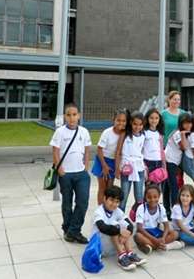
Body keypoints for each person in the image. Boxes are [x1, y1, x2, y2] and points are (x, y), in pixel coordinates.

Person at [50, 102, 91, 244]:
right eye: (69, 115)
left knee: (82, 202)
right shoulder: (60, 132)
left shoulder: (84, 131)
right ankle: (69, 230)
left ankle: (74, 231)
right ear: (65, 117)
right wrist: (59, 169)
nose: (72, 118)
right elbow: (55, 150)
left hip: (81, 174)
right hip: (66, 174)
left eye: (74, 115)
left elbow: (87, 150)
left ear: (78, 116)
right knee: (67, 204)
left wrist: (86, 166)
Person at [90, 186, 146, 271]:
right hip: (100, 247)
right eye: (111, 200)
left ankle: (129, 253)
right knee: (115, 225)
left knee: (125, 226)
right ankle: (121, 257)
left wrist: (124, 233)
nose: (114, 204)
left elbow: (130, 226)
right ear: (105, 198)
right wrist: (120, 230)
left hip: (112, 246)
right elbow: (103, 228)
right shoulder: (98, 212)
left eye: (117, 202)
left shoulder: (117, 210)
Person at [134, 184, 184, 254]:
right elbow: (139, 228)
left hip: (155, 231)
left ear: (159, 196)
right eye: (149, 197)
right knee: (138, 236)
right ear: (145, 197)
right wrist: (154, 240)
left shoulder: (161, 208)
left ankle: (152, 246)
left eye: (155, 197)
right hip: (145, 232)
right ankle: (162, 246)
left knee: (175, 233)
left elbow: (166, 226)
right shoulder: (141, 208)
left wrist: (163, 238)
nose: (152, 200)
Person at [92, 110, 127, 205]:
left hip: (113, 162)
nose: (121, 123)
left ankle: (108, 208)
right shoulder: (107, 132)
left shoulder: (125, 134)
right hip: (102, 161)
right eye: (118, 120)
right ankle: (100, 210)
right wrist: (104, 166)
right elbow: (99, 150)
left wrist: (117, 167)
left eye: (124, 121)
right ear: (113, 120)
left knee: (109, 188)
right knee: (102, 188)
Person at [115, 111, 146, 212]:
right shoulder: (125, 134)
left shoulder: (143, 135)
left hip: (139, 168)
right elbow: (118, 151)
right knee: (123, 196)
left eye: (140, 124)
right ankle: (120, 219)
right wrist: (117, 169)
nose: (137, 127)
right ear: (131, 123)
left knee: (139, 197)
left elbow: (141, 151)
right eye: (135, 124)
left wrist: (145, 167)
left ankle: (138, 218)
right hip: (126, 168)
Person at [164, 113, 192, 215]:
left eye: (189, 123)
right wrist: (183, 134)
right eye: (185, 123)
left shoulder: (183, 133)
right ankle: (174, 211)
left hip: (174, 162)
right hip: (169, 161)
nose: (188, 125)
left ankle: (167, 209)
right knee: (174, 186)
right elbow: (184, 147)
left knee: (167, 186)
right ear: (181, 123)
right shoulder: (177, 133)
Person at [143, 108, 165, 189]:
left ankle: (155, 202)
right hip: (147, 162)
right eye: (151, 118)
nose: (154, 120)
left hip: (158, 162)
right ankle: (146, 202)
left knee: (156, 187)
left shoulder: (160, 133)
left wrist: (164, 165)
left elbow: (162, 150)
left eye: (156, 118)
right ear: (147, 118)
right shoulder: (144, 132)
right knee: (148, 186)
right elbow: (141, 149)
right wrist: (143, 164)